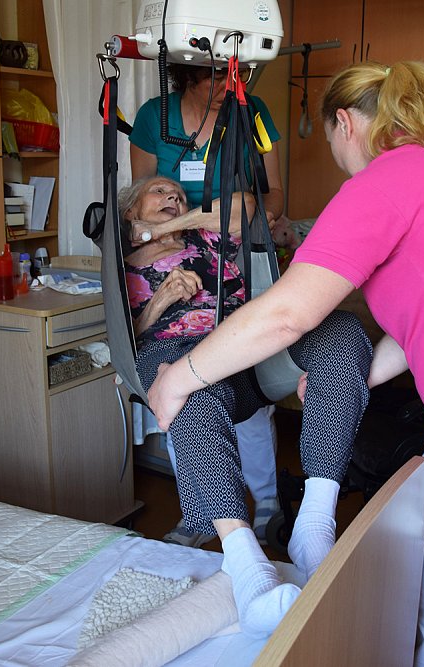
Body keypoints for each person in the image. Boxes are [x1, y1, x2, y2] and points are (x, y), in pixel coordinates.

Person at [146, 61, 424, 664]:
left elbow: (287, 314)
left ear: (344, 123)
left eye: (330, 139)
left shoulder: (385, 182)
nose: (335, 154)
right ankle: (313, 538)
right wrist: (356, 377)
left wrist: (178, 378)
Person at [121, 175, 373, 636]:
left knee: (340, 330)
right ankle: (246, 567)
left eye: (178, 192)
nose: (173, 194)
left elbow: (246, 206)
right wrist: (161, 299)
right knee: (187, 389)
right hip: (173, 351)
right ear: (129, 212)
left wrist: (162, 229)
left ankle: (315, 526)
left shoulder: (207, 238)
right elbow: (126, 338)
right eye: (158, 190)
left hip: (244, 353)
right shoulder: (122, 269)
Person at [130, 62, 285, 547]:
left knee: (247, 397)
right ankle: (204, 515)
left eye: (239, 76)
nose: (231, 87)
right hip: (170, 297)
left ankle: (267, 504)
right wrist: (157, 255)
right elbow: (139, 198)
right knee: (184, 399)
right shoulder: (154, 117)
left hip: (228, 242)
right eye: (217, 77)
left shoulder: (251, 111)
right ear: (188, 76)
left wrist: (183, 224)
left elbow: (260, 199)